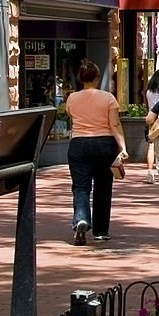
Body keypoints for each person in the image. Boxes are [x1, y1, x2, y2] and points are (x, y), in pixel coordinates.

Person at [66, 59, 127, 245]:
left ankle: (82, 219)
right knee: (103, 187)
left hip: (78, 144)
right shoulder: (108, 98)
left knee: (80, 187)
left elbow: (71, 117)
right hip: (104, 143)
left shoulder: (71, 98)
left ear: (80, 78)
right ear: (97, 77)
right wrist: (122, 147)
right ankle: (101, 231)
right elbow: (114, 124)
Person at [144, 68, 159, 185]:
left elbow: (147, 106)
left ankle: (150, 171)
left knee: (151, 146)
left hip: (152, 120)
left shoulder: (148, 91)